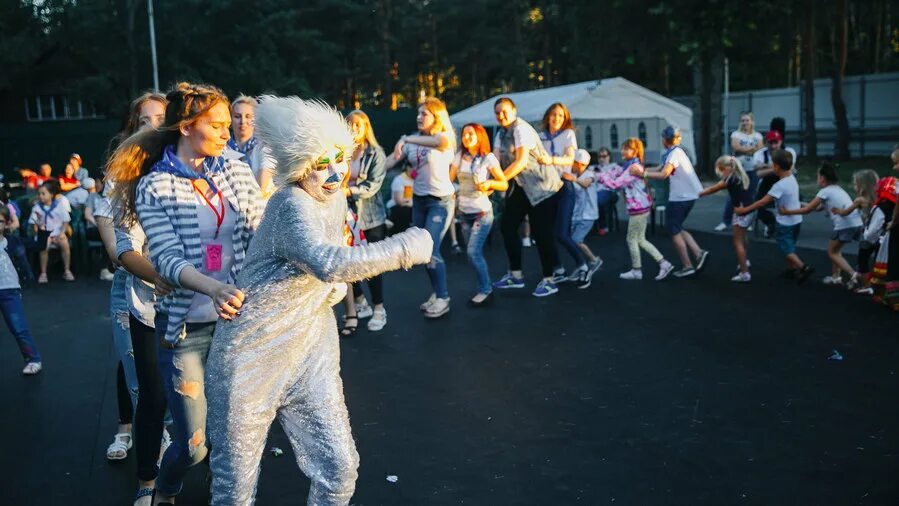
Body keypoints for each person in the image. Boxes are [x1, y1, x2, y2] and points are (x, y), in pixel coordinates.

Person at [205, 95, 432, 505]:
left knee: (339, 468)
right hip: (251, 356)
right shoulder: (291, 202)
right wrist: (405, 248)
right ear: (298, 169)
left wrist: (330, 291)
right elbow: (328, 262)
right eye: (319, 165)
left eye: (339, 159)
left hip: (311, 351)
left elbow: (328, 269)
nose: (333, 173)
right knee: (233, 489)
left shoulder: (337, 197)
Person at [107, 82, 263, 505]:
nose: (227, 133)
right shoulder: (154, 187)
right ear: (187, 126)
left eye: (228, 124)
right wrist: (214, 288)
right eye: (216, 125)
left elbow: (261, 224)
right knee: (193, 445)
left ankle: (227, 489)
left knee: (231, 429)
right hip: (185, 330)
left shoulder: (234, 167)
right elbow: (169, 263)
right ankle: (166, 486)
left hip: (235, 322)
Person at [102, 90, 174, 505]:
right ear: (134, 125)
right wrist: (161, 271)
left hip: (184, 294)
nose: (152, 125)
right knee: (143, 382)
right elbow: (120, 250)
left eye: (159, 117)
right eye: (144, 119)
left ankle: (179, 449)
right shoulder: (123, 176)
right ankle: (149, 466)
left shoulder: (184, 168)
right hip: (137, 290)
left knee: (184, 386)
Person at [384, 97, 456, 318]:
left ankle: (443, 297)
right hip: (420, 202)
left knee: (431, 250)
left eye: (424, 113)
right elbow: (390, 161)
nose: (419, 117)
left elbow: (440, 143)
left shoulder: (445, 137)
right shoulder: (414, 142)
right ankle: (437, 293)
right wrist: (371, 171)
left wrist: (405, 138)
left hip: (440, 202)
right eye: (418, 113)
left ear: (436, 117)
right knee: (424, 253)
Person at [490, 97, 561, 297]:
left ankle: (549, 279)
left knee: (541, 233)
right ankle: (516, 275)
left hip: (543, 188)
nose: (500, 115)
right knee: (507, 226)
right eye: (497, 112)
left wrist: (499, 180)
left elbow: (521, 162)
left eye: (504, 111)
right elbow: (495, 160)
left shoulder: (521, 129)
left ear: (514, 111)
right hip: (522, 187)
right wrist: (487, 179)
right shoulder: (501, 133)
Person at [631, 126, 708, 278]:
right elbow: (660, 168)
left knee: (673, 230)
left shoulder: (674, 153)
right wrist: (643, 171)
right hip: (688, 196)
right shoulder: (676, 152)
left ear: (665, 139)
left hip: (680, 197)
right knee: (677, 227)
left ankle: (687, 265)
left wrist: (643, 173)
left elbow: (664, 174)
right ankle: (699, 253)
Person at [597, 138, 674, 281]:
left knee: (632, 239)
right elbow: (618, 173)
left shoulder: (633, 168)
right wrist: (607, 173)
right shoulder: (631, 165)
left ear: (635, 151)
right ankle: (663, 264)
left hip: (638, 209)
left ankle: (638, 270)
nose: (622, 151)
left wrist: (599, 177)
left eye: (626, 148)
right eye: (623, 148)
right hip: (641, 207)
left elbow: (615, 184)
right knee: (640, 239)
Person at [449, 123, 508, 306]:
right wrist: (453, 190)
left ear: (479, 136)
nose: (466, 137)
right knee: (472, 254)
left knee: (473, 252)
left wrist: (489, 185)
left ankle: (485, 290)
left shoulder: (487, 158)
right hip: (465, 213)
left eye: (470, 134)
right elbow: (449, 178)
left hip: (481, 213)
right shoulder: (460, 156)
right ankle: (483, 286)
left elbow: (503, 183)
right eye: (465, 134)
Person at [735, 149, 814, 283]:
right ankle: (793, 269)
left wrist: (745, 210)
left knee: (785, 248)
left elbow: (763, 201)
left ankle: (803, 267)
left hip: (785, 223)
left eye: (772, 164)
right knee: (791, 246)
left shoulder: (779, 185)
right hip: (796, 221)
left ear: (776, 167)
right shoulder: (792, 179)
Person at [342, 110, 389, 332]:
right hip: (346, 216)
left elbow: (372, 186)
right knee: (350, 263)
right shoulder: (343, 152)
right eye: (349, 125)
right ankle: (360, 303)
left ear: (365, 128)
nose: (353, 129)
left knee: (372, 265)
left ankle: (379, 308)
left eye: (357, 125)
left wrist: (347, 191)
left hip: (370, 218)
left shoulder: (376, 153)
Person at [778, 163, 863, 286]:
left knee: (832, 252)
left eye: (818, 176)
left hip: (845, 226)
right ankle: (836, 277)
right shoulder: (837, 189)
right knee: (836, 251)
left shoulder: (825, 192)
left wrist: (787, 212)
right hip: (856, 223)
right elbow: (816, 208)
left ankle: (853, 274)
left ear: (822, 178)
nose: (817, 178)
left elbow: (807, 210)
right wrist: (797, 202)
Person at [539, 103, 584, 282]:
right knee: (546, 233)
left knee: (562, 233)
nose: (556, 118)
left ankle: (583, 265)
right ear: (547, 117)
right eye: (553, 115)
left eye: (560, 115)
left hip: (564, 185)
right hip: (546, 188)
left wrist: (550, 160)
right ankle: (558, 269)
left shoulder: (568, 135)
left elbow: (569, 158)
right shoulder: (540, 137)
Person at [831, 170, 891, 294]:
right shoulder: (880, 198)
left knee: (862, 259)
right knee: (879, 261)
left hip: (870, 235)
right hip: (882, 234)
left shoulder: (860, 200)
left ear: (862, 186)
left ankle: (866, 285)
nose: (854, 187)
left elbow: (846, 212)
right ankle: (881, 284)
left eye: (855, 184)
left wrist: (838, 211)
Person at [699, 156, 756, 282]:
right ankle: (744, 261)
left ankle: (744, 273)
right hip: (749, 210)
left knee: (737, 242)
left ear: (725, 169)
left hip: (741, 212)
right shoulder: (739, 175)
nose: (719, 173)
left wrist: (697, 193)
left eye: (720, 170)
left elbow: (713, 189)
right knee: (743, 236)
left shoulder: (729, 180)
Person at [0, 206, 41, 375]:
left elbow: (38, 245)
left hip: (9, 290)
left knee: (19, 327)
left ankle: (33, 359)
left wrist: (42, 230)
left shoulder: (13, 242)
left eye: (0, 221)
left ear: (7, 223)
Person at [716, 112, 763, 231]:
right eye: (743, 120)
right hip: (738, 170)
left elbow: (761, 148)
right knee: (733, 196)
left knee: (750, 196)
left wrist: (745, 150)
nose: (745, 123)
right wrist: (751, 149)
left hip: (753, 170)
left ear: (752, 121)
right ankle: (725, 222)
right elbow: (735, 147)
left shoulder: (758, 135)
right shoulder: (736, 134)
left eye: (747, 120)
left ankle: (746, 221)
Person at [227, 95, 276, 198]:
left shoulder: (265, 147)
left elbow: (261, 186)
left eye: (248, 116)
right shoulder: (222, 148)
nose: (243, 121)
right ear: (230, 119)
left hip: (260, 205)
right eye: (237, 116)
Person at [753, 129, 798, 237]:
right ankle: (770, 222)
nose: (773, 146)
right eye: (770, 143)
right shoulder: (759, 153)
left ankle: (790, 225)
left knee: (796, 201)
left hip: (785, 181)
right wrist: (778, 168)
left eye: (775, 143)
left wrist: (766, 166)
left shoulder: (789, 151)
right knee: (758, 204)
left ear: (780, 142)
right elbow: (759, 174)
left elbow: (790, 169)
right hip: (767, 182)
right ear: (766, 142)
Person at [569, 149, 602, 288]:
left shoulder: (590, 174)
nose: (571, 165)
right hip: (576, 214)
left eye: (574, 163)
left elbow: (586, 183)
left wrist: (573, 179)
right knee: (571, 240)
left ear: (580, 164)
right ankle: (581, 265)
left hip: (588, 215)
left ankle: (594, 260)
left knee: (576, 240)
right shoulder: (573, 174)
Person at [29, 180, 74, 283]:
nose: (40, 196)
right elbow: (33, 225)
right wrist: (39, 233)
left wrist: (62, 232)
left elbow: (66, 222)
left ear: (51, 194)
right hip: (44, 233)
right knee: (44, 244)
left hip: (57, 233)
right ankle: (43, 273)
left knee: (64, 242)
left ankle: (67, 270)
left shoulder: (59, 206)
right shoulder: (37, 208)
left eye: (43, 193)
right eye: (39, 194)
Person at [593, 147, 620, 235]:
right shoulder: (593, 168)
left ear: (609, 156)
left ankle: (603, 226)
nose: (602, 159)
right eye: (599, 156)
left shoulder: (615, 167)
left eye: (604, 156)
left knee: (600, 199)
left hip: (611, 192)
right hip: (595, 192)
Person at [387, 165, 414, 233]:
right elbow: (399, 201)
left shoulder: (417, 180)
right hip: (398, 208)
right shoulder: (399, 179)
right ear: (408, 167)